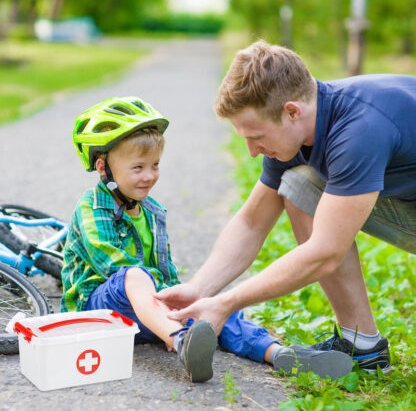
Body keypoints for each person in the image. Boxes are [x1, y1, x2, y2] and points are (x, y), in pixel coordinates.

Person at [155, 40, 416, 375]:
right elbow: (252, 222)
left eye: (256, 136)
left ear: (292, 111)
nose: (252, 151)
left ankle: (361, 344)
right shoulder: (307, 120)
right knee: (297, 184)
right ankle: (362, 346)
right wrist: (198, 290)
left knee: (298, 185)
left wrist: (226, 303)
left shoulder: (359, 131)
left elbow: (325, 252)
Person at [61, 96, 352, 383]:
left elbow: (163, 270)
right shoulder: (91, 207)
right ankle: (181, 341)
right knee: (134, 276)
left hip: (149, 312)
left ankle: (279, 354)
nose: (149, 176)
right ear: (103, 167)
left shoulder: (151, 211)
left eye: (155, 165)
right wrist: (169, 312)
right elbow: (112, 264)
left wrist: (181, 303)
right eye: (138, 168)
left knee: (210, 306)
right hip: (99, 311)